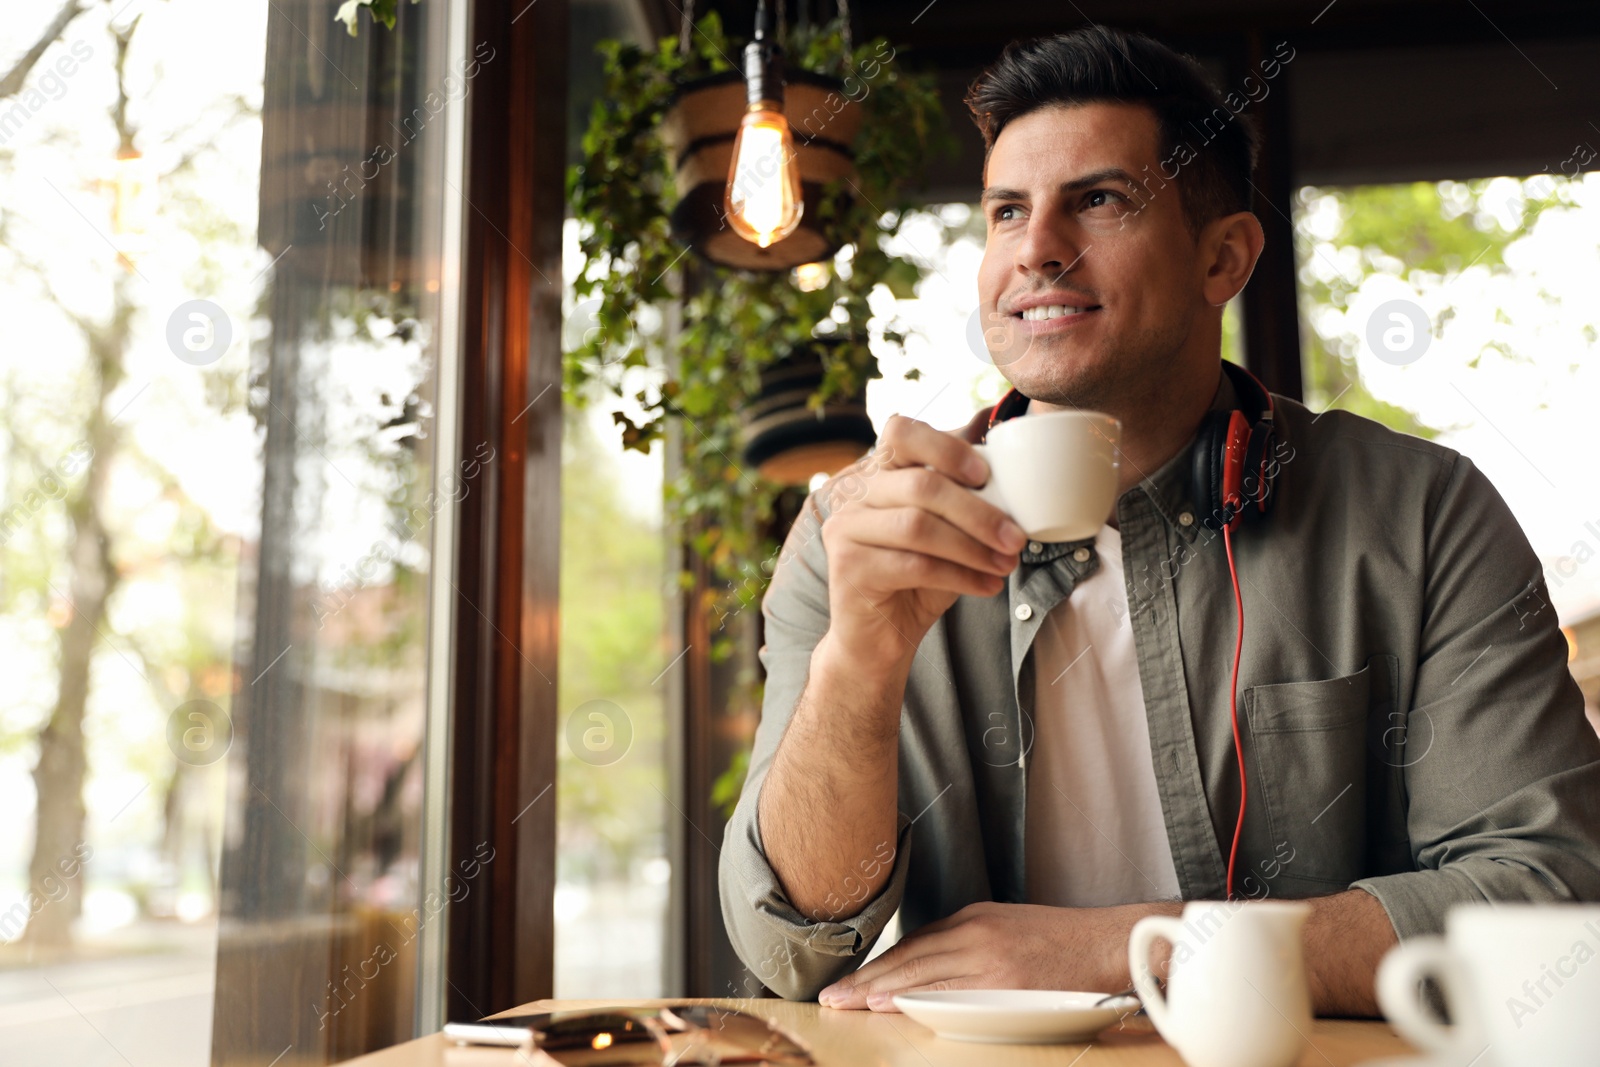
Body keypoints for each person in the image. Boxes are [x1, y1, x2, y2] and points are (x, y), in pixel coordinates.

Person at [717, 25, 1600, 1016]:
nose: (1036, 249)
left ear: (1222, 257)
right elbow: (787, 944)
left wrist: (1124, 947)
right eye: (1007, 211)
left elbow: (1549, 889)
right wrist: (859, 665)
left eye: (1096, 200)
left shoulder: (1424, 511)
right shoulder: (854, 529)